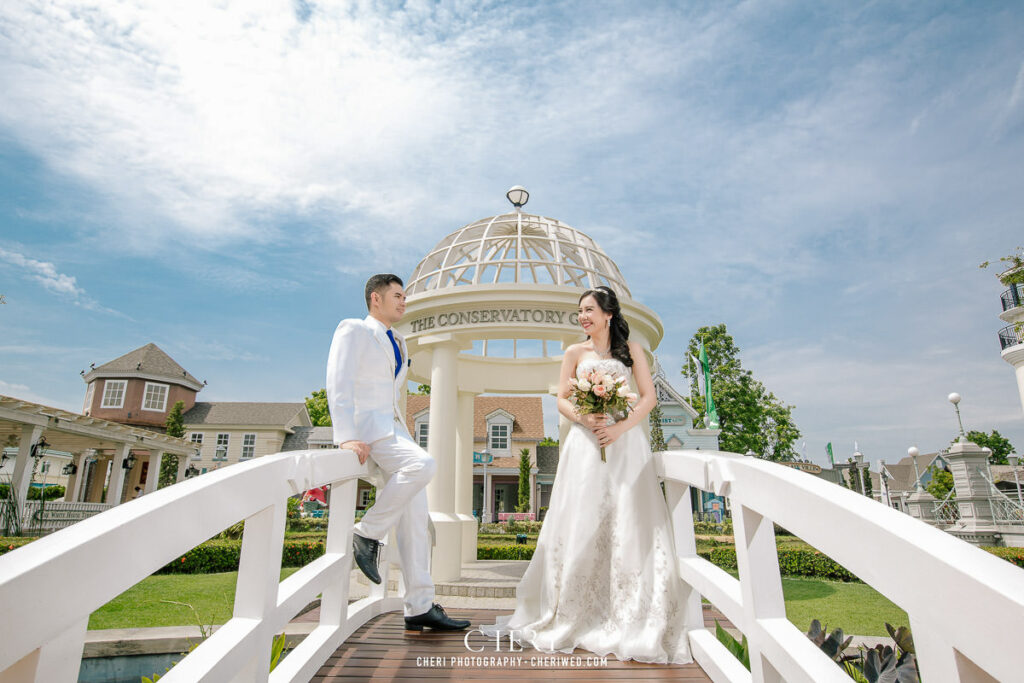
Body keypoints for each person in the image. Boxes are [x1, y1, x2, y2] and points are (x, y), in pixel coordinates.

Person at [481, 285, 692, 664]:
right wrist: (584, 417)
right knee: (582, 520)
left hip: (624, 445)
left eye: (589, 310)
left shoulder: (633, 353)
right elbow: (562, 397)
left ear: (609, 314)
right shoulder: (573, 353)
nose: (583, 317)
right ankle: (572, 608)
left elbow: (648, 398)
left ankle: (631, 610)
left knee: (628, 521)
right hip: (583, 446)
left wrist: (619, 428)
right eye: (580, 311)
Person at [326, 273, 470, 632]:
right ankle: (368, 532)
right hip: (371, 433)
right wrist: (345, 436)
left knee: (416, 521)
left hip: (395, 431)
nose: (404, 302)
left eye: (404, 297)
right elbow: (338, 381)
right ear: (376, 298)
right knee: (423, 464)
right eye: (398, 296)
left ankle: (419, 605)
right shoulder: (354, 330)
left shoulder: (400, 342)